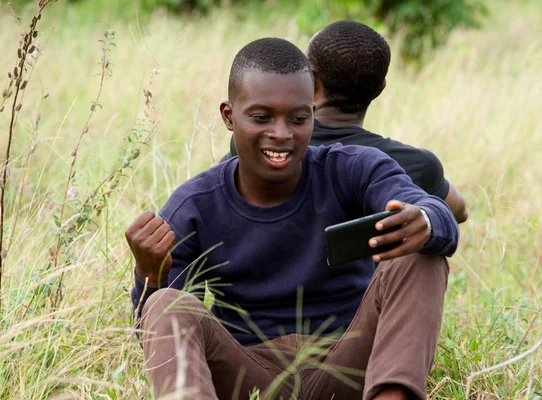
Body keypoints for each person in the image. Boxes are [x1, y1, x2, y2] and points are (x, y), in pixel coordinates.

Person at [128, 38, 459, 400]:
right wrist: (149, 274)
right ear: (228, 115)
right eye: (261, 117)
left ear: (314, 114)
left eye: (299, 119)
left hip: (349, 364)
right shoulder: (196, 205)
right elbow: (158, 333)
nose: (282, 134)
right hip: (248, 376)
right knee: (165, 304)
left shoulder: (354, 168)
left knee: (421, 249)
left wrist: (424, 220)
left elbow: (436, 212)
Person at [222, 21, 468, 224]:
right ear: (380, 89)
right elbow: (458, 212)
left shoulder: (258, 144)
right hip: (376, 283)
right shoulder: (415, 165)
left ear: (311, 81)